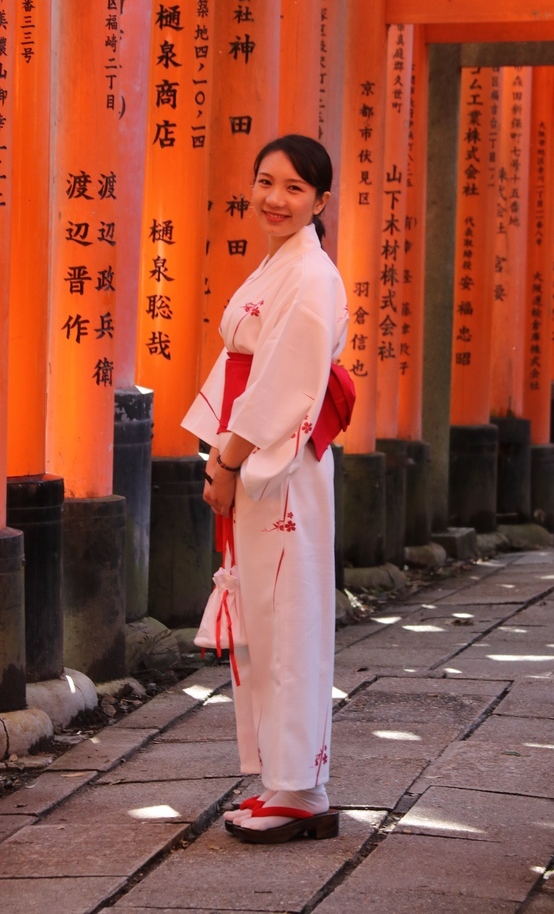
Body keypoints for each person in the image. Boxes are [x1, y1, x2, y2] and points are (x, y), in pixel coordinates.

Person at [181, 134, 350, 844]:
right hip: (252, 456)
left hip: (279, 467)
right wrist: (218, 452)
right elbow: (242, 366)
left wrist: (228, 459)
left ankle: (302, 787)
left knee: (288, 621)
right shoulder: (279, 267)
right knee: (264, 619)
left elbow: (283, 384)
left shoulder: (312, 278)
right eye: (265, 183)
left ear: (319, 202)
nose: (274, 200)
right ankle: (280, 781)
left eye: (293, 188)